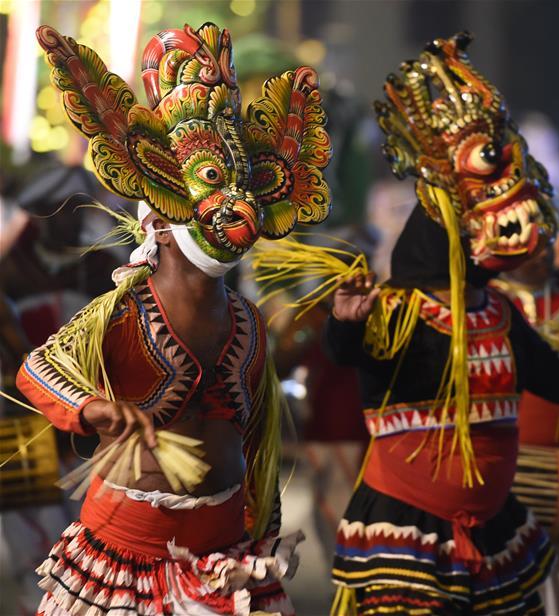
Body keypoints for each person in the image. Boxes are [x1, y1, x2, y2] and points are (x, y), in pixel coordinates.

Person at [325, 33, 559, 615]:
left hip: (497, 528)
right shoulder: (397, 310)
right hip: (410, 529)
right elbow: (353, 359)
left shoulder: (497, 311)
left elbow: (554, 377)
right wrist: (347, 324)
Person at [17, 22, 332, 614]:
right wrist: (92, 409)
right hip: (127, 559)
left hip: (225, 557)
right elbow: (37, 370)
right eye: (213, 181)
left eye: (242, 185)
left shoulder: (249, 322)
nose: (234, 206)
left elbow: (258, 438)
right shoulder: (120, 316)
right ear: (157, 216)